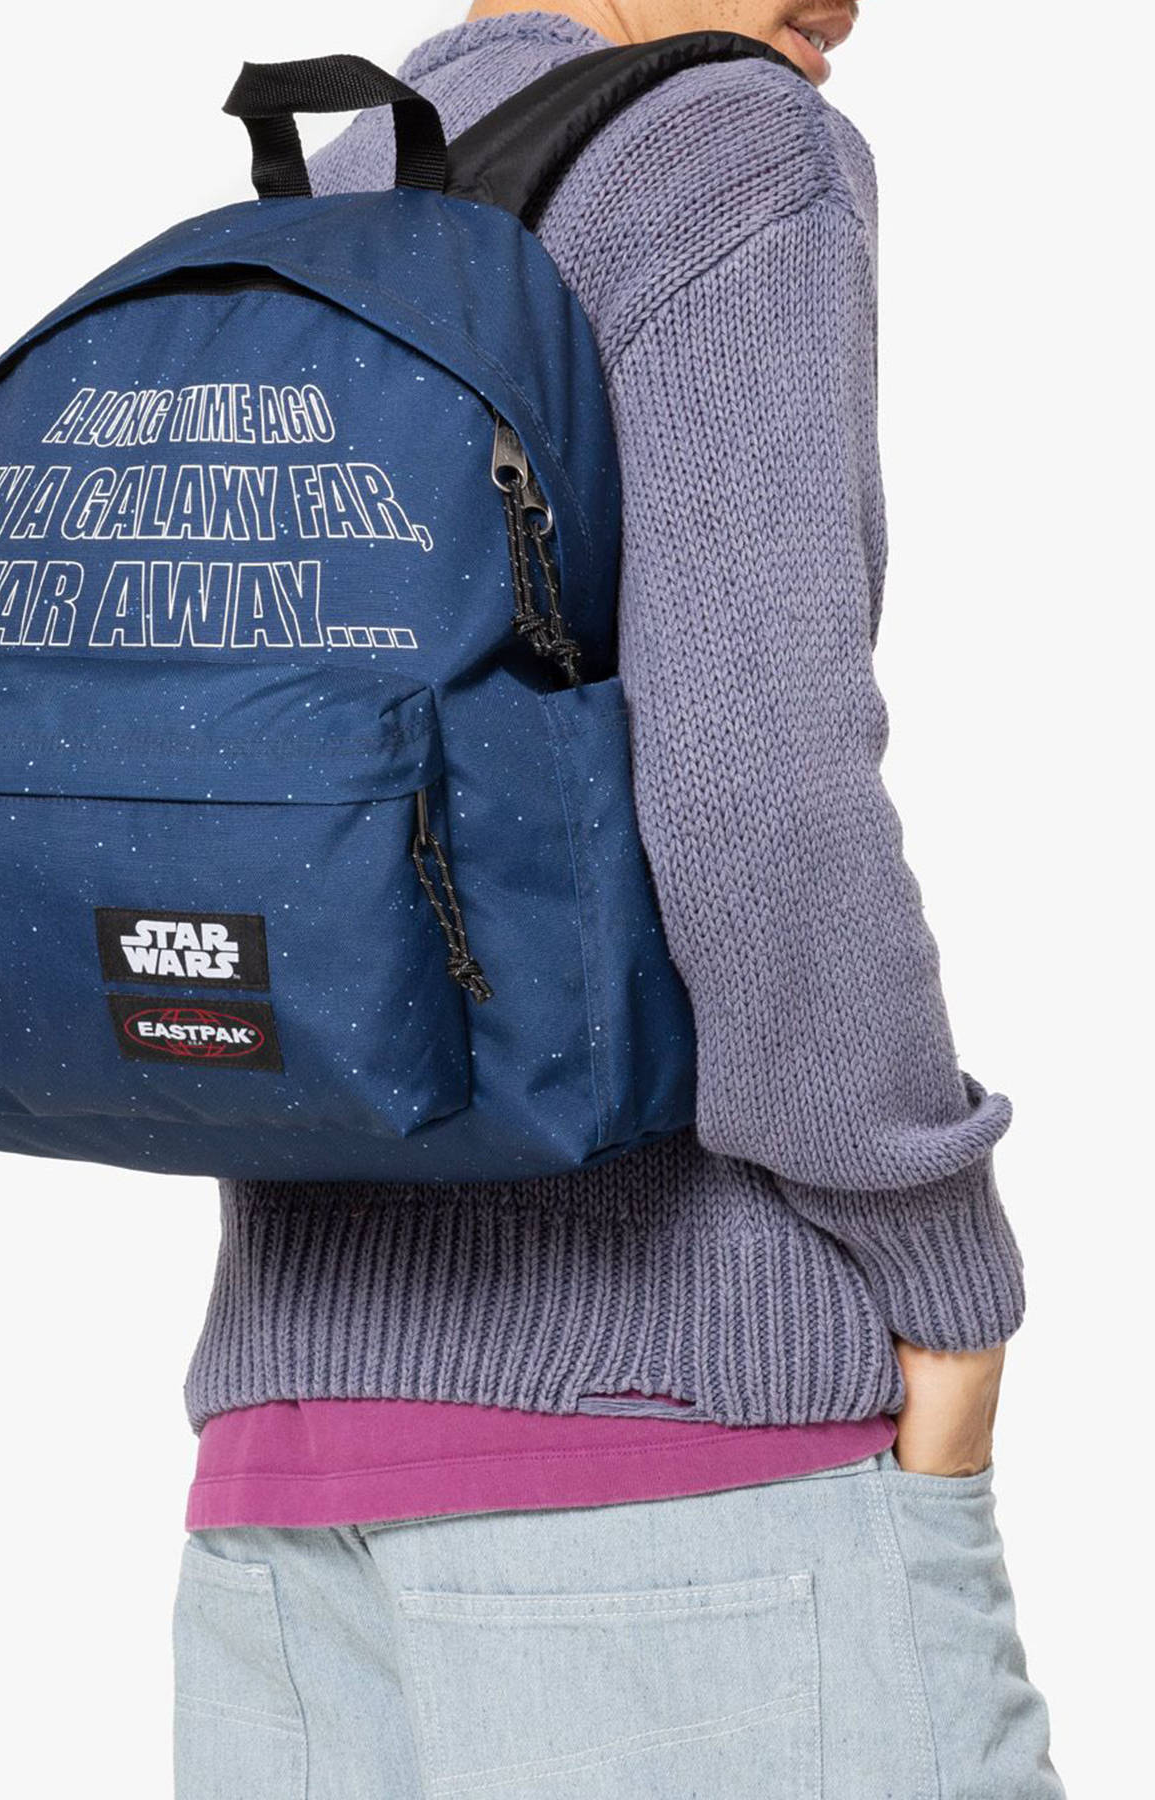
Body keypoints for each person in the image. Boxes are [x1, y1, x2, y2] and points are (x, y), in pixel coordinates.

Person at [174, 5, 1063, 1795]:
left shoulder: (334, 180)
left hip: (284, 1491)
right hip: (683, 1461)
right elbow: (759, 779)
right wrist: (938, 1261)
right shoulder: (717, 143)